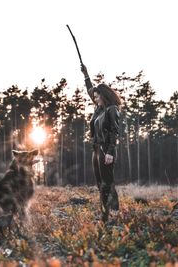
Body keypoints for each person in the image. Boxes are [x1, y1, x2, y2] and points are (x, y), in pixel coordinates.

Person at [81, 63, 122, 222]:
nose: (95, 98)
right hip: (96, 149)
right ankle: (106, 213)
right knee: (100, 184)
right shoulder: (99, 108)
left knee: (108, 183)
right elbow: (91, 90)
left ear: (104, 96)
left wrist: (111, 152)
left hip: (106, 150)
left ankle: (114, 213)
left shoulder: (112, 109)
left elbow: (114, 131)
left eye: (97, 96)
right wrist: (86, 75)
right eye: (95, 96)